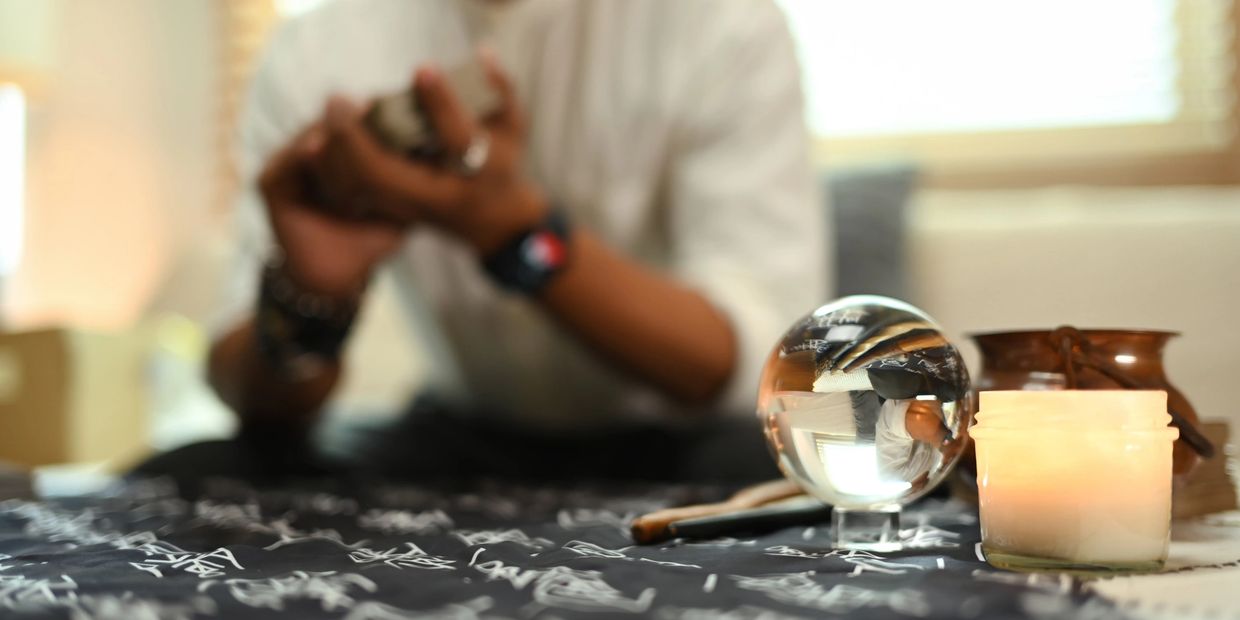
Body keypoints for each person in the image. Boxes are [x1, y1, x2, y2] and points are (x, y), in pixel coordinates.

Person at [141, 0, 828, 485]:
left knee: (802, 486)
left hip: (683, 446)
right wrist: (311, 295)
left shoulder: (724, 24)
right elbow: (244, 384)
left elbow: (763, 367)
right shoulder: (316, 51)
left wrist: (517, 235)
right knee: (197, 479)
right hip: (457, 432)